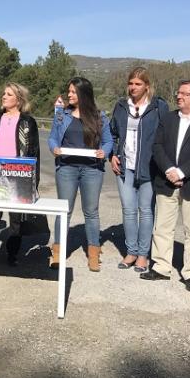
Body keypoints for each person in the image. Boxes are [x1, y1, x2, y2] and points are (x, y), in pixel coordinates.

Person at [141, 80, 190, 292]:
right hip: (166, 181)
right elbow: (156, 146)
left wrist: (182, 172)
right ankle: (161, 267)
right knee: (163, 228)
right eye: (178, 93)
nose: (178, 96)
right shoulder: (167, 118)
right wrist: (169, 170)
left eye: (184, 93)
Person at [48, 76, 113, 272]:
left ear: (83, 94)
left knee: (91, 211)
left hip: (92, 169)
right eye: (69, 91)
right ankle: (58, 252)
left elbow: (109, 141)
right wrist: (54, 149)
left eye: (73, 92)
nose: (69, 94)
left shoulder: (100, 117)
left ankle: (94, 253)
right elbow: (52, 138)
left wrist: (105, 152)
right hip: (67, 167)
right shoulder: (62, 114)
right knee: (64, 211)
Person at [109, 67, 169, 273]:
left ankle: (143, 255)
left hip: (149, 168)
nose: (133, 87)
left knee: (145, 211)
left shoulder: (159, 107)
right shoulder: (120, 106)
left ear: (147, 86)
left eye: (138, 84)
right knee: (128, 210)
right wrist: (113, 155)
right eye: (131, 83)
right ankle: (131, 251)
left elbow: (165, 136)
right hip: (125, 167)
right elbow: (113, 133)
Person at [0, 82, 41, 267]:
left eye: (9, 94)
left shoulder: (27, 121)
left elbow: (34, 152)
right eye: (4, 93)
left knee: (16, 218)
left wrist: (33, 182)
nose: (4, 97)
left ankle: (12, 254)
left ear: (19, 99)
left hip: (18, 173)